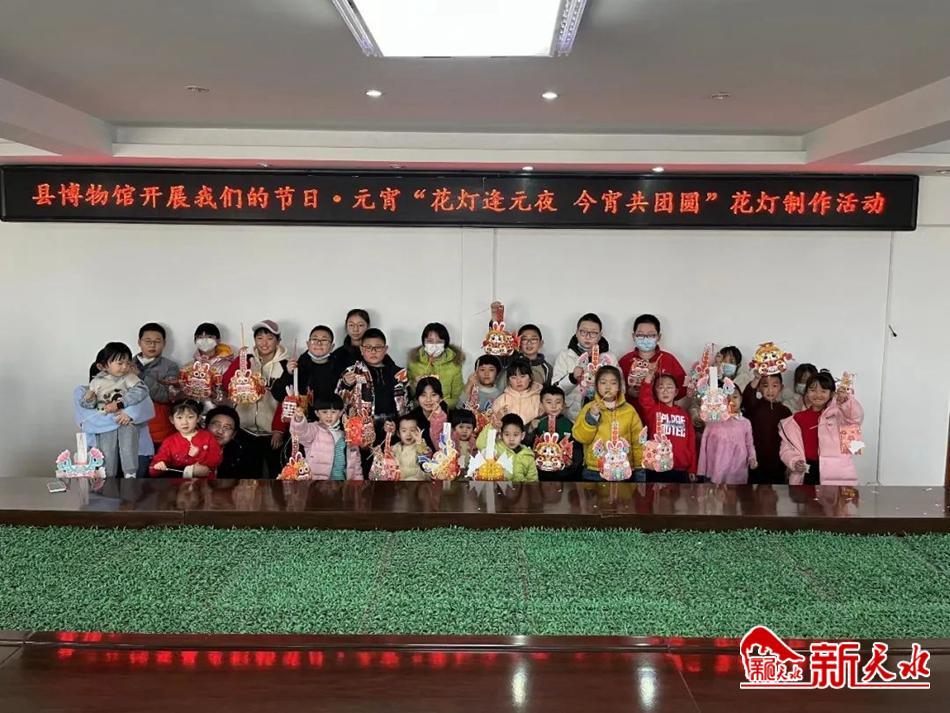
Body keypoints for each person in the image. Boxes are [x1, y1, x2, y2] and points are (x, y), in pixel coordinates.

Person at [336, 327, 410, 473]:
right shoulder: (351, 372)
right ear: (361, 349)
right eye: (368, 348)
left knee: (391, 471)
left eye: (378, 347)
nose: (373, 351)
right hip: (363, 434)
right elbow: (338, 402)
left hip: (391, 430)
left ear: (385, 349)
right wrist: (346, 384)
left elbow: (407, 405)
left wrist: (399, 426)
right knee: (363, 472)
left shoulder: (398, 373)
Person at [221, 320, 289, 477]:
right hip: (244, 429)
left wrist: (279, 429)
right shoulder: (245, 360)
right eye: (259, 338)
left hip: (271, 432)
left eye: (270, 338)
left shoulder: (286, 366)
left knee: (275, 475)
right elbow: (226, 384)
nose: (264, 343)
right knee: (248, 476)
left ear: (278, 340)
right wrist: (240, 365)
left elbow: (288, 400)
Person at [73, 348, 155, 477]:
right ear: (102, 368)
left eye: (126, 364)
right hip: (99, 449)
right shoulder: (83, 392)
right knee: (106, 479)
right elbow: (89, 421)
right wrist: (124, 416)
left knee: (134, 483)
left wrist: (129, 413)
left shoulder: (134, 387)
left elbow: (147, 407)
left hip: (138, 449)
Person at [779, 371, 864, 486]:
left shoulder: (840, 415)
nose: (818, 395)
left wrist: (847, 402)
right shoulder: (796, 419)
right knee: (805, 498)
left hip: (836, 473)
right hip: (807, 473)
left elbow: (855, 417)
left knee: (837, 498)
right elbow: (786, 448)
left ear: (832, 394)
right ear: (806, 392)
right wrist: (794, 461)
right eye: (813, 390)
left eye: (823, 391)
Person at [572, 366, 643, 481]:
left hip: (622, 468)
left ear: (619, 386)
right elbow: (580, 437)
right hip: (595, 469)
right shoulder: (589, 408)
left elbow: (638, 442)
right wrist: (592, 417)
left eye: (613, 383)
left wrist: (639, 468)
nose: (608, 387)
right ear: (596, 385)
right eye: (603, 382)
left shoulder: (629, 410)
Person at [618, 314, 687, 421]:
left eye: (651, 335)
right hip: (631, 419)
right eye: (640, 335)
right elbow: (615, 391)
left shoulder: (669, 360)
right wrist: (628, 392)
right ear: (633, 336)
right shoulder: (625, 361)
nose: (645, 339)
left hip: (661, 420)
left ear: (659, 337)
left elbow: (682, 390)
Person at [551, 313, 617, 421]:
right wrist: (572, 378)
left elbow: (620, 389)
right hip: (571, 417)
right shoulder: (565, 356)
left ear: (600, 335)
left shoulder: (609, 358)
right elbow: (554, 391)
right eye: (583, 332)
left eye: (593, 333)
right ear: (577, 332)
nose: (588, 336)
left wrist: (603, 381)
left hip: (602, 416)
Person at [270, 325, 344, 417]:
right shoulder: (297, 366)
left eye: (324, 340)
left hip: (329, 421)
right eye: (314, 339)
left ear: (332, 346)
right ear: (308, 344)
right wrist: (288, 373)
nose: (319, 343)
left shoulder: (339, 368)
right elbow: (278, 395)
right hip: (302, 421)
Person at [638, 371, 697, 482]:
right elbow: (644, 398)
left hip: (680, 468)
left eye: (669, 387)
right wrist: (649, 377)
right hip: (657, 466)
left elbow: (691, 442)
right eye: (660, 387)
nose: (665, 391)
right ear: (655, 392)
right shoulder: (653, 410)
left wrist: (692, 468)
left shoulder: (684, 414)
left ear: (676, 392)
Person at [289, 394, 361, 480]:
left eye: (333, 412)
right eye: (324, 412)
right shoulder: (314, 430)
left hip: (342, 485)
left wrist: (358, 485)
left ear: (341, 413)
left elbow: (356, 466)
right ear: (317, 413)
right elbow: (301, 433)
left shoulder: (350, 435)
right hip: (317, 484)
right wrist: (299, 420)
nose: (329, 416)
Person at [133, 322, 180, 447]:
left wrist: (140, 376)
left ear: (164, 343)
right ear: (139, 342)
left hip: (160, 428)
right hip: (131, 425)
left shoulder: (170, 367)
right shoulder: (126, 364)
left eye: (157, 341)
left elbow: (166, 396)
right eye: (148, 341)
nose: (152, 345)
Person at [149, 400, 223, 478]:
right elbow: (153, 469)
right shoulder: (169, 442)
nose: (184, 422)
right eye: (179, 417)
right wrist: (159, 465)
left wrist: (199, 454)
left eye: (190, 417)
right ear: (172, 420)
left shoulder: (208, 437)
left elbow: (217, 460)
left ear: (198, 418)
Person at [697, 388, 756, 484]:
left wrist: (752, 458)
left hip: (738, 469)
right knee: (713, 492)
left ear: (741, 399)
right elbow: (704, 446)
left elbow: (749, 444)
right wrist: (702, 468)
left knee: (735, 492)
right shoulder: (713, 421)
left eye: (735, 397)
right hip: (716, 470)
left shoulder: (745, 423)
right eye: (726, 398)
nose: (731, 400)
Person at [742, 372, 792, 484]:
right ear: (759, 388)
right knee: (753, 492)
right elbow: (747, 397)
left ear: (781, 387)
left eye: (775, 386)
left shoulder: (785, 411)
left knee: (776, 491)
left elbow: (790, 438)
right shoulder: (754, 406)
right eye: (765, 385)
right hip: (755, 460)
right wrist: (756, 378)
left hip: (777, 462)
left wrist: (788, 462)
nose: (770, 390)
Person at [525, 385, 581, 481]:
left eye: (558, 402)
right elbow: (525, 443)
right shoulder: (536, 423)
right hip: (540, 472)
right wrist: (530, 430)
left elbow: (577, 448)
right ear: (541, 405)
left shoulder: (570, 425)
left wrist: (572, 464)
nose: (554, 406)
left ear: (564, 405)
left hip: (564, 474)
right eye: (549, 402)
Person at [406, 322, 465, 407]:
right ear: (423, 342)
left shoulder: (454, 364)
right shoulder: (414, 362)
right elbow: (409, 395)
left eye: (439, 342)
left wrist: (439, 407)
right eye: (430, 341)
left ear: (445, 344)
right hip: (419, 411)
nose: (434, 345)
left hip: (445, 411)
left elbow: (457, 397)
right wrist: (415, 384)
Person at [180, 322, 235, 407]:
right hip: (193, 411)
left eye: (209, 337)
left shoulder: (228, 366)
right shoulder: (188, 367)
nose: (204, 340)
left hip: (219, 411)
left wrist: (213, 394)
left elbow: (233, 397)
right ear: (195, 340)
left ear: (218, 340)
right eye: (200, 337)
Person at [475, 414, 539, 482]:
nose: (511, 439)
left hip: (520, 488)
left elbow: (533, 481)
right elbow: (480, 444)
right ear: (501, 435)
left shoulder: (528, 455)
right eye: (507, 434)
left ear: (522, 435)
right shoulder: (497, 448)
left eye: (515, 435)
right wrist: (493, 427)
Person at [205, 405, 263, 478]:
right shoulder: (193, 447)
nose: (220, 431)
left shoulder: (243, 456)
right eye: (216, 425)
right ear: (206, 426)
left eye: (227, 427)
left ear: (233, 434)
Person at [491, 358, 543, 425]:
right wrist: (498, 417)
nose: (518, 381)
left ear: (530, 378)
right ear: (508, 381)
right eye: (514, 378)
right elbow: (490, 425)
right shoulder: (501, 400)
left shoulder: (539, 399)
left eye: (522, 376)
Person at [387, 413, 431, 481]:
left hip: (416, 479)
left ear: (418, 431)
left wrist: (419, 442)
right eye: (404, 431)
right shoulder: (396, 447)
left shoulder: (419, 445)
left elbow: (425, 455)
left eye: (412, 430)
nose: (408, 434)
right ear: (398, 433)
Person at [409, 376, 448, 449]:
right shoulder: (412, 418)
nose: (428, 400)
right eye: (423, 395)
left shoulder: (448, 415)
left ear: (441, 397)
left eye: (433, 395)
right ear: (417, 398)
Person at [450, 409, 477, 474]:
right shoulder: (450, 443)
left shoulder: (475, 444)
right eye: (461, 427)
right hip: (453, 475)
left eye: (468, 427)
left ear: (473, 429)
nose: (464, 431)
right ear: (454, 428)